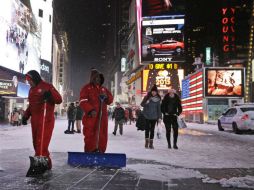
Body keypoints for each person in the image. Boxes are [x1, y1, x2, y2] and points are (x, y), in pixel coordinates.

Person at [22, 70, 62, 170]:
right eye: (27, 80)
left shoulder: (47, 86)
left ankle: (40, 166)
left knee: (41, 144)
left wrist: (50, 96)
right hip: (35, 121)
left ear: (35, 78)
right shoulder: (31, 90)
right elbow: (31, 105)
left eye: (29, 80)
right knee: (36, 144)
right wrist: (26, 116)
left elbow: (59, 99)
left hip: (46, 120)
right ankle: (46, 164)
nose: (29, 82)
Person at [79, 69, 113, 153]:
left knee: (102, 134)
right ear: (92, 79)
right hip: (91, 117)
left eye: (99, 78)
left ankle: (101, 151)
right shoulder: (86, 88)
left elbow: (110, 100)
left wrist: (107, 97)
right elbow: (82, 101)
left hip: (102, 117)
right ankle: (90, 152)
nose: (98, 79)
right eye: (96, 78)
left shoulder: (104, 89)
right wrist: (90, 110)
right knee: (90, 134)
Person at [140, 84, 162, 149]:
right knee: (147, 129)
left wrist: (160, 117)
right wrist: (147, 102)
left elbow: (159, 109)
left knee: (152, 130)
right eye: (152, 91)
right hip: (147, 116)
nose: (153, 92)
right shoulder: (147, 97)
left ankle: (151, 143)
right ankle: (146, 142)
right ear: (151, 91)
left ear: (156, 92)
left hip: (154, 117)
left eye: (155, 91)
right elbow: (142, 104)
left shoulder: (158, 100)